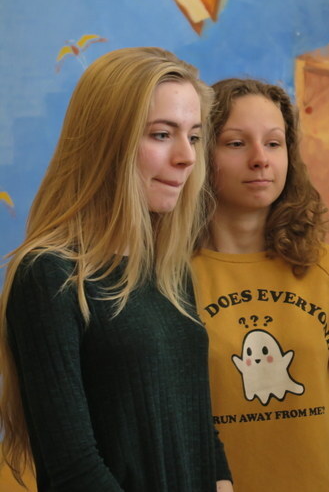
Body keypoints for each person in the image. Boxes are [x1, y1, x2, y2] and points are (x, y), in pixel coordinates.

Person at [0, 47, 233, 492]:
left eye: (194, 136)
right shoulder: (50, 274)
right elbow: (73, 469)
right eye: (162, 134)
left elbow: (196, 424)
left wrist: (223, 482)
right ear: (107, 142)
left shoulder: (169, 270)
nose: (187, 156)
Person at [191, 78, 329, 491]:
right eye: (236, 143)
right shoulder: (169, 277)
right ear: (201, 153)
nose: (260, 159)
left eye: (274, 143)